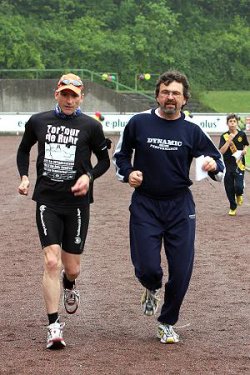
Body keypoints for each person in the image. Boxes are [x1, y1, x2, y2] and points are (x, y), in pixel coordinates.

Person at [113, 70, 224, 344]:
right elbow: (121, 156)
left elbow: (218, 162)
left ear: (185, 99)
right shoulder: (138, 123)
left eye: (175, 93)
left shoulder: (192, 131)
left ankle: (167, 322)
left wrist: (212, 167)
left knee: (182, 269)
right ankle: (151, 287)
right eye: (165, 92)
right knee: (148, 268)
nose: (170, 97)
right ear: (157, 95)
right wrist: (128, 173)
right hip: (145, 205)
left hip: (179, 207)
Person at [16, 73, 110, 349]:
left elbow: (104, 161)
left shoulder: (91, 126)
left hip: (78, 205)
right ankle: (54, 326)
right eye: (64, 94)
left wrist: (89, 177)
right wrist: (24, 176)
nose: (69, 100)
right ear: (56, 94)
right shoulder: (38, 121)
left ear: (82, 97)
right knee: (51, 262)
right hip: (47, 200)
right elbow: (23, 151)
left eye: (74, 95)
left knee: (72, 268)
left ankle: (70, 285)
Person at [219, 113, 249, 216]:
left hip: (239, 164)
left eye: (234, 121)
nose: (232, 123)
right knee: (229, 188)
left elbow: (246, 144)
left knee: (239, 186)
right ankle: (232, 207)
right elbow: (221, 151)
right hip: (228, 165)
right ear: (227, 123)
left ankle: (239, 194)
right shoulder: (224, 136)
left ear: (237, 123)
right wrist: (229, 141)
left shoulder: (242, 134)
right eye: (230, 121)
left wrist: (245, 150)